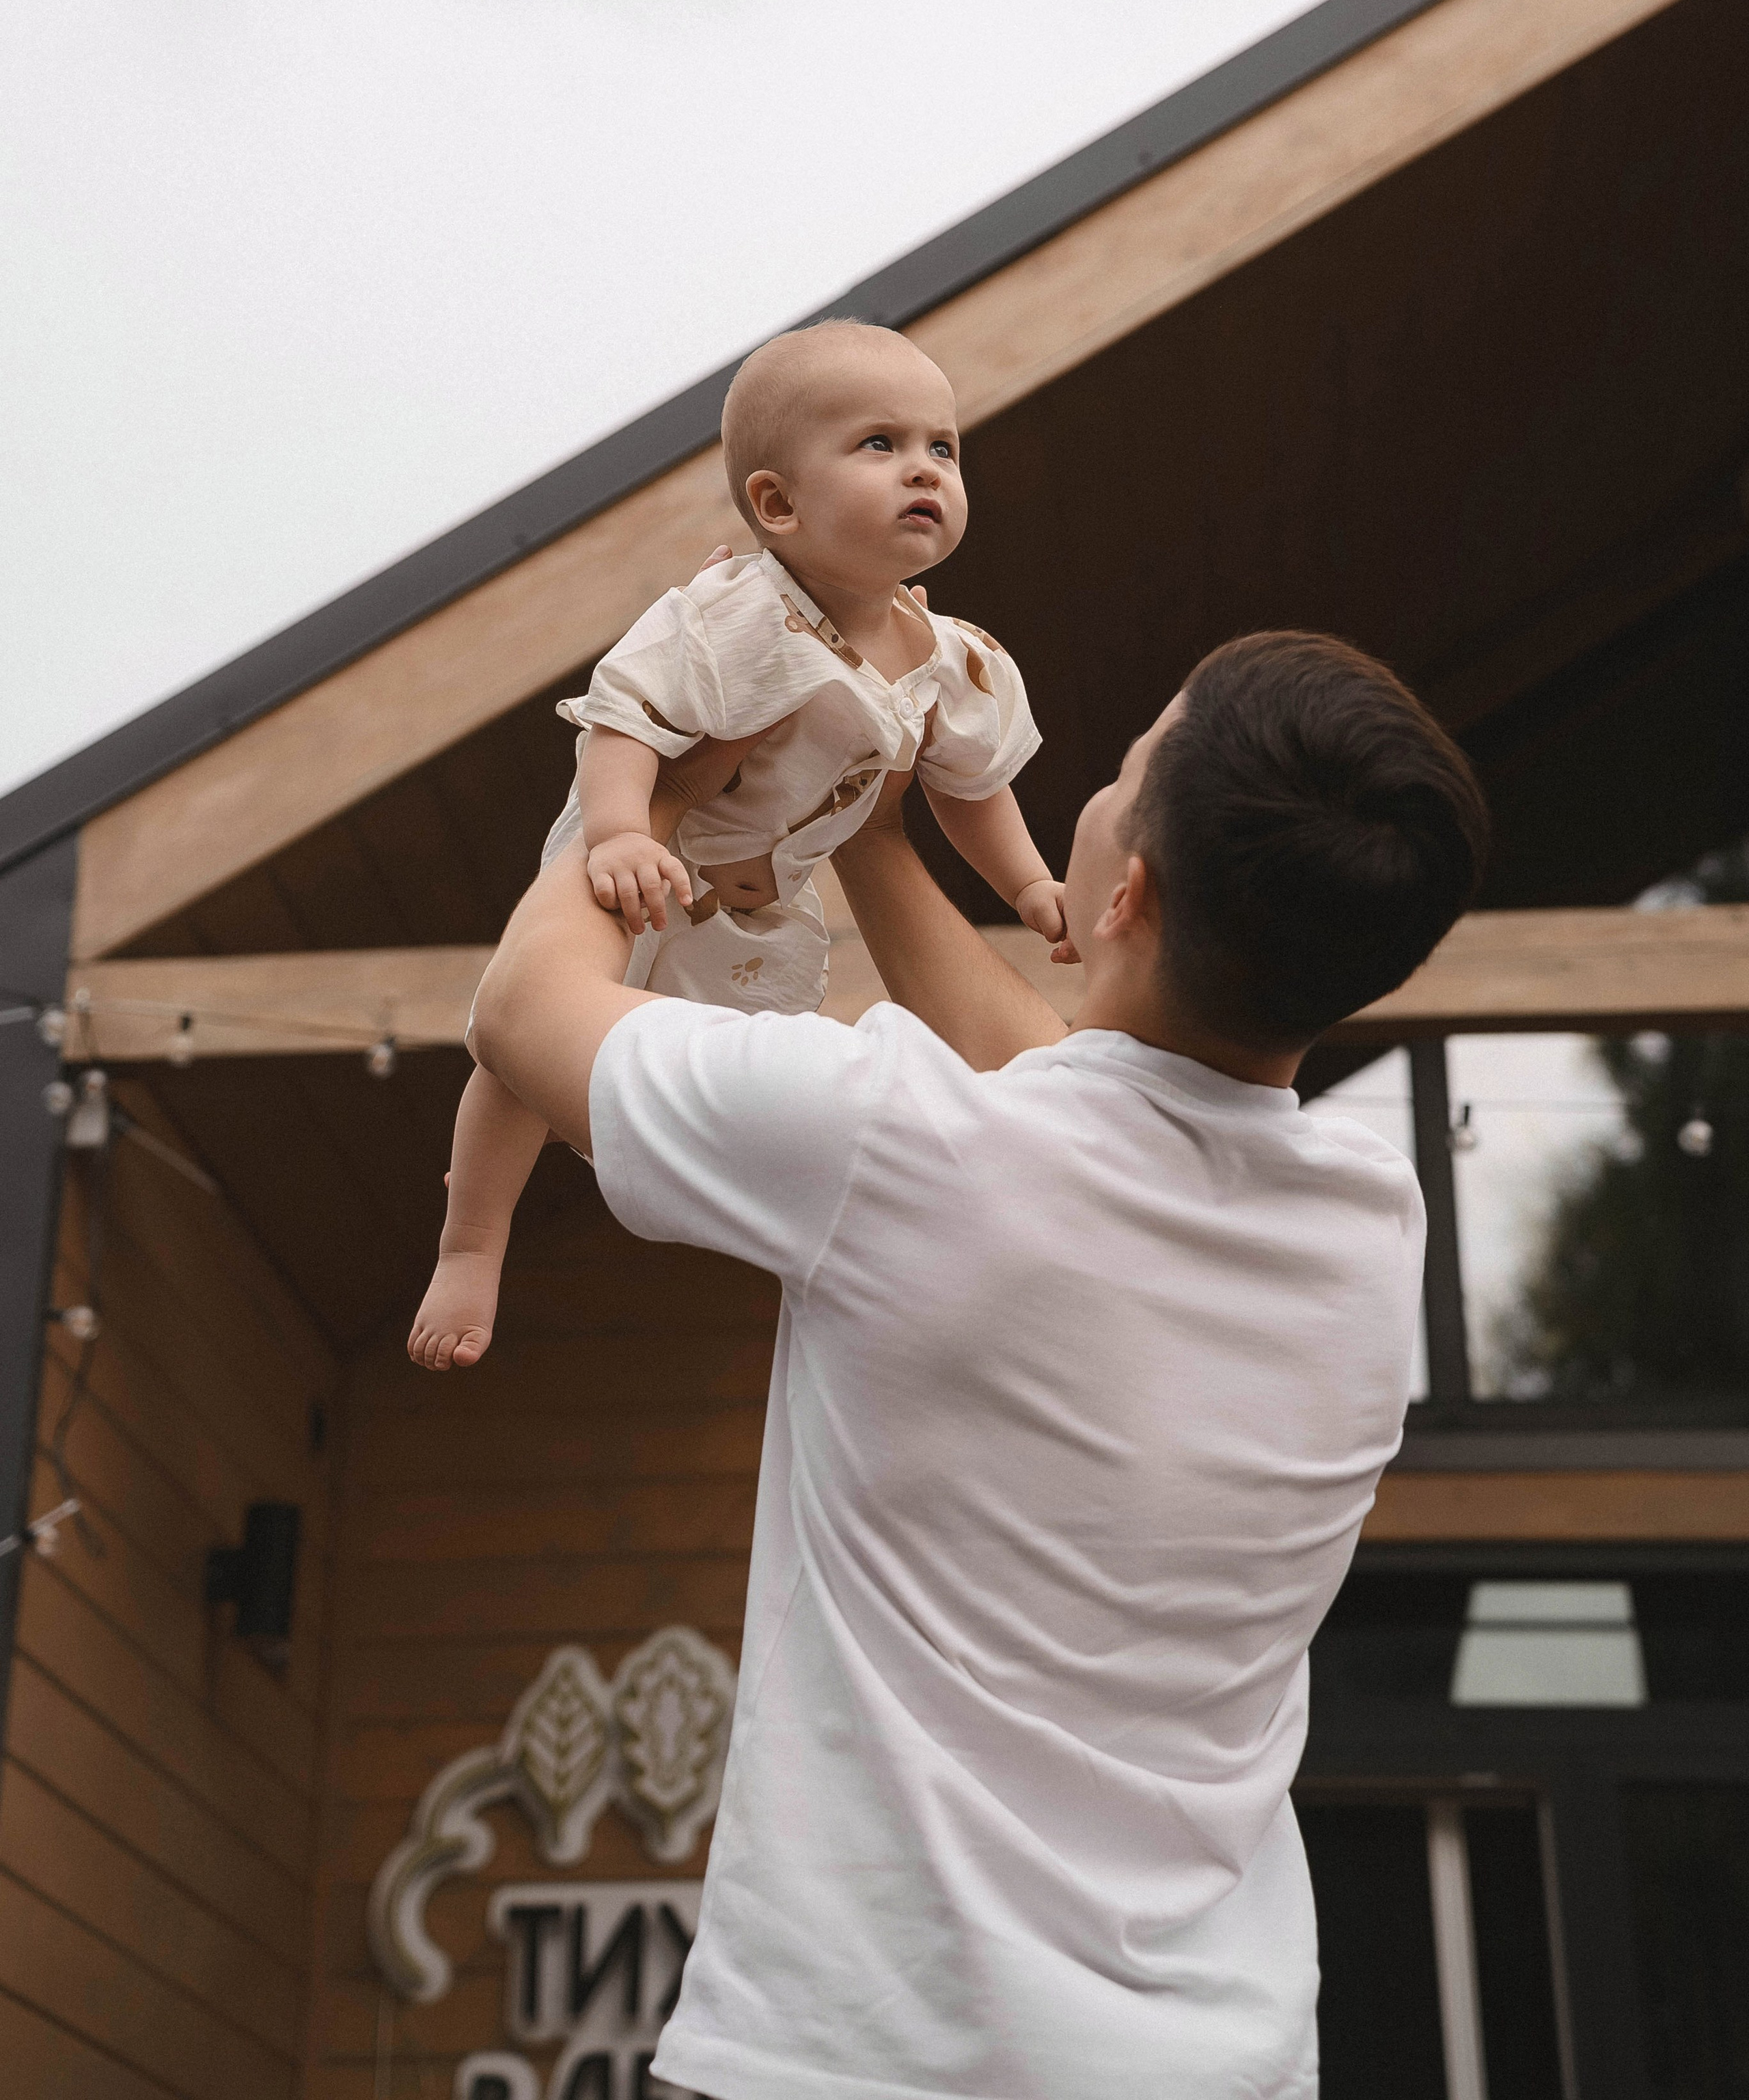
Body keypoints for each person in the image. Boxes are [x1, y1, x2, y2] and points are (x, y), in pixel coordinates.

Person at [465, 628, 1489, 2100]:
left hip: (875, 2057)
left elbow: (521, 1014)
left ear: (1122, 888)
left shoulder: (896, 1143)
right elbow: (1065, 1089)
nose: (1096, 776)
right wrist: (871, 830)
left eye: (1129, 764)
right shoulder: (1364, 1225)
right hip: (1217, 2061)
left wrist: (656, 788)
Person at [409, 320, 1062, 1374]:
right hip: (643, 856)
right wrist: (623, 829)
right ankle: (473, 1238)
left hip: (757, 901)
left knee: (708, 1071)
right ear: (776, 504)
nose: (924, 471)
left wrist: (1030, 883)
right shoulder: (733, 611)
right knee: (524, 1049)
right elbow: (623, 717)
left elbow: (973, 787)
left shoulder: (959, 660)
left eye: (943, 448)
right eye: (879, 445)